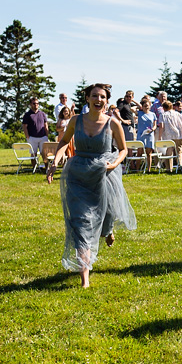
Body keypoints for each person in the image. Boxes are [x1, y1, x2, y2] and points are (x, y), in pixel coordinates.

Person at [46, 83, 136, 288]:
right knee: (80, 223)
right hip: (78, 175)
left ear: (107, 100)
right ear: (87, 98)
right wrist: (54, 163)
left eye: (102, 96)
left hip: (104, 173)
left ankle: (107, 229)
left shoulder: (113, 123)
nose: (99, 99)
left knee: (105, 215)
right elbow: (63, 143)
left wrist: (114, 163)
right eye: (94, 96)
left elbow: (123, 150)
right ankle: (84, 277)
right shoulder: (76, 121)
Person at [22, 97, 50, 170]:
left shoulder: (42, 114)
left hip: (43, 137)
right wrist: (28, 137)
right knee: (33, 154)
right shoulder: (27, 115)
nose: (36, 105)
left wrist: (46, 136)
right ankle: (35, 169)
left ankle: (47, 168)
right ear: (30, 104)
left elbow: (46, 125)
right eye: (34, 103)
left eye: (37, 103)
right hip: (32, 138)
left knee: (44, 153)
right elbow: (24, 126)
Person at [159, 100, 182, 172]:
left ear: (164, 108)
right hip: (178, 134)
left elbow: (161, 126)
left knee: (169, 150)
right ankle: (180, 165)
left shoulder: (163, 115)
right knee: (179, 150)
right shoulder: (176, 113)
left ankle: (169, 168)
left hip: (168, 134)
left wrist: (159, 136)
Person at [136, 97, 158, 170]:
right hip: (141, 134)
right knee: (139, 152)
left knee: (149, 153)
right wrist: (138, 106)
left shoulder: (153, 114)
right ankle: (137, 169)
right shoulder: (139, 113)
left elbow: (155, 125)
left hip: (149, 134)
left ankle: (148, 168)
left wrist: (152, 129)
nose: (146, 107)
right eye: (145, 105)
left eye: (148, 105)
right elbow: (132, 109)